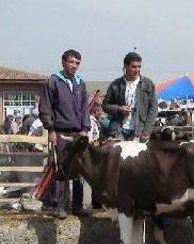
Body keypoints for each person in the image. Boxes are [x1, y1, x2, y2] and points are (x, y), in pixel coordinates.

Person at [39, 49, 91, 219]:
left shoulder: (80, 83)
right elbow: (45, 108)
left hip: (78, 132)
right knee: (60, 169)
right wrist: (51, 130)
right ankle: (58, 206)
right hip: (60, 131)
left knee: (79, 169)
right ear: (63, 62)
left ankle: (77, 205)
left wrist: (85, 129)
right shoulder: (53, 82)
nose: (74, 66)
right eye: (71, 62)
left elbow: (85, 108)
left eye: (77, 63)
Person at [102, 52, 158, 141]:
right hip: (117, 130)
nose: (137, 70)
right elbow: (105, 105)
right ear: (126, 66)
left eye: (139, 66)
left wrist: (147, 131)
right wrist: (118, 108)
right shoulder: (116, 84)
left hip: (138, 131)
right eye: (134, 67)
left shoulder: (148, 84)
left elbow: (153, 109)